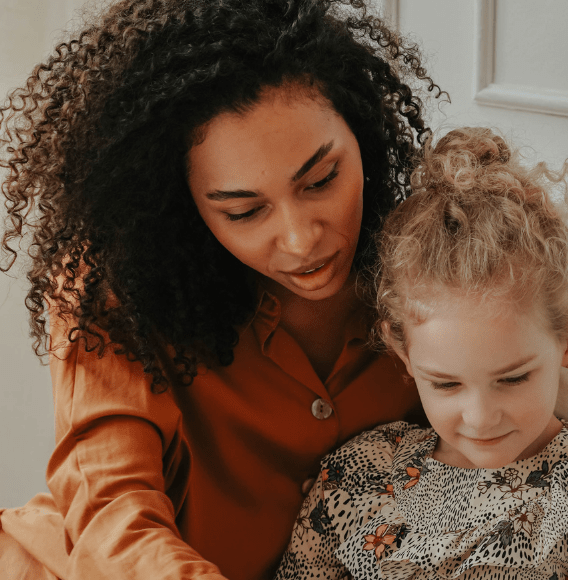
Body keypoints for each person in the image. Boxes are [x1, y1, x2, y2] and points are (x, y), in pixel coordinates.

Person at [0, 1, 443, 578]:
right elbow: (112, 514)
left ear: (363, 132)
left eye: (322, 180)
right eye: (244, 211)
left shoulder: (429, 265)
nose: (300, 239)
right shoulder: (116, 293)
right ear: (182, 203)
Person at [273, 128, 568, 580]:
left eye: (513, 378)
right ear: (403, 352)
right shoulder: (358, 471)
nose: (480, 418)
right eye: (445, 384)